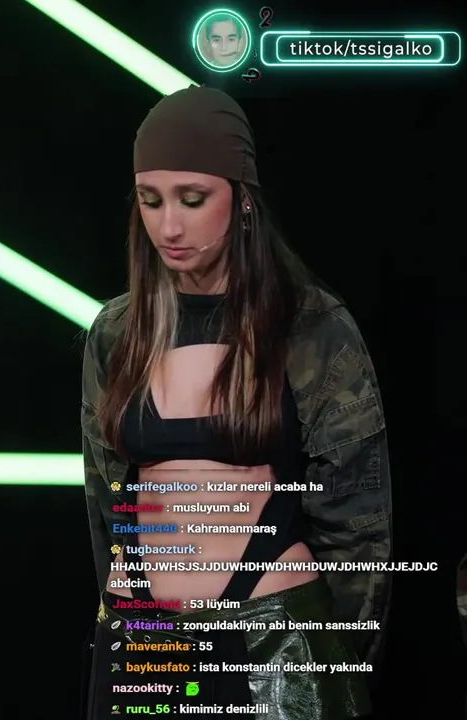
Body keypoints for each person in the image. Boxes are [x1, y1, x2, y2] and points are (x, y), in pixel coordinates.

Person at [81, 87, 391, 719]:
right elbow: (105, 499)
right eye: (150, 200)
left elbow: (359, 520)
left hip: (275, 640)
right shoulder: (116, 332)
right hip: (143, 641)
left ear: (242, 197)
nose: (169, 225)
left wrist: (345, 662)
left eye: (192, 199)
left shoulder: (309, 325)